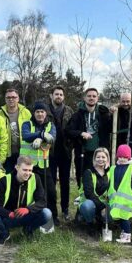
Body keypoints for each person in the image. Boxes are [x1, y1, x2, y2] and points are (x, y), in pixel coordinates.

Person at [0, 155, 52, 246]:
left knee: (47, 213)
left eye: (30, 170)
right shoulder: (4, 180)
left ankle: (28, 230)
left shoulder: (36, 178)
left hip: (26, 215)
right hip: (8, 217)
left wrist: (28, 209)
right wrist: (9, 214)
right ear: (17, 167)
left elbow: (42, 201)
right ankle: (4, 235)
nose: (28, 173)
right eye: (25, 170)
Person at [21, 102, 58, 226]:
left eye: (42, 111)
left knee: (51, 192)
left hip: (44, 165)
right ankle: (26, 217)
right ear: (34, 113)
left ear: (46, 113)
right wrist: (40, 135)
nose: (40, 114)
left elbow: (52, 137)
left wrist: (41, 139)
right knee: (29, 192)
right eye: (37, 112)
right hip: (28, 167)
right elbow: (26, 135)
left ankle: (53, 217)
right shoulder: (27, 124)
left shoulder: (50, 125)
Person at [67, 87, 112, 187]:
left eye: (94, 96)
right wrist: (81, 133)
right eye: (89, 96)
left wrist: (114, 112)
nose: (91, 98)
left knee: (101, 177)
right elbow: (69, 130)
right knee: (83, 176)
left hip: (100, 153)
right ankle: (83, 197)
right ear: (84, 98)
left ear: (97, 98)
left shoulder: (104, 113)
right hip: (83, 152)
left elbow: (112, 128)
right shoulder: (77, 115)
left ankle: (100, 198)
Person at [107, 144, 132, 244]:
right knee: (121, 217)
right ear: (117, 156)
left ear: (129, 157)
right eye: (120, 156)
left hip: (128, 199)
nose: (122, 159)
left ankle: (127, 236)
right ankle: (124, 234)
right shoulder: (113, 168)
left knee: (125, 217)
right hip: (117, 199)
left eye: (125, 157)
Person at [47, 86, 74, 221]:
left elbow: (74, 129)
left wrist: (71, 146)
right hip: (49, 152)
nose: (59, 96)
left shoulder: (69, 110)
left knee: (65, 183)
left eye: (61, 94)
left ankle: (65, 209)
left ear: (64, 96)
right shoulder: (45, 110)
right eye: (56, 94)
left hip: (65, 152)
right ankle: (52, 211)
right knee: (51, 183)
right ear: (51, 95)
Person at [0, 87, 32, 173]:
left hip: (23, 152)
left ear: (18, 98)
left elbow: (31, 131)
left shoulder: (26, 112)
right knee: (8, 180)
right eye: (8, 97)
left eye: (13, 97)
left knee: (22, 179)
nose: (11, 99)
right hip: (7, 154)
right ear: (5, 99)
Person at [77, 147, 111, 235]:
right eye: (98, 157)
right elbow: (89, 194)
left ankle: (103, 223)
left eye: (103, 157)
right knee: (88, 206)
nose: (101, 159)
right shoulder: (88, 172)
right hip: (90, 202)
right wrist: (103, 207)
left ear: (107, 159)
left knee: (114, 208)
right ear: (94, 159)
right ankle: (90, 223)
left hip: (104, 203)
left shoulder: (111, 172)